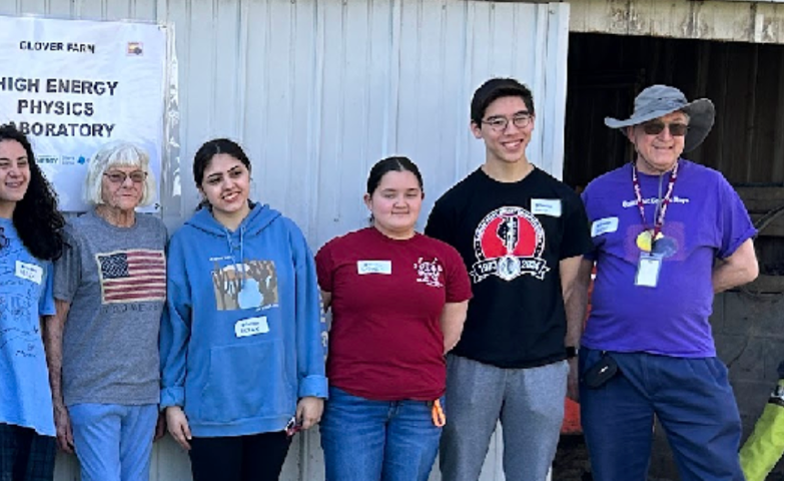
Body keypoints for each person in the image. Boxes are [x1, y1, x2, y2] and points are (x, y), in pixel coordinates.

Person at [575, 84, 760, 481]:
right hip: (612, 357)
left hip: (688, 356)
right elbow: (575, 283)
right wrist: (571, 353)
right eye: (654, 126)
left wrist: (692, 289)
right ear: (631, 133)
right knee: (614, 474)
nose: (666, 137)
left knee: (716, 473)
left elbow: (746, 266)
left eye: (676, 128)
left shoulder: (712, 187)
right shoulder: (599, 192)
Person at [425, 78, 592, 481]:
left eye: (520, 119)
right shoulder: (454, 205)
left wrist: (571, 353)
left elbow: (573, 286)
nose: (510, 131)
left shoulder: (563, 201)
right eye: (497, 122)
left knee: (531, 474)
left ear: (533, 122)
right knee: (459, 470)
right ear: (476, 129)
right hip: (470, 361)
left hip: (542, 364)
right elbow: (435, 293)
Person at [160, 138, 327, 482]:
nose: (228, 185)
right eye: (215, 179)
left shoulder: (284, 233)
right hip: (210, 408)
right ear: (201, 188)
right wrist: (172, 400)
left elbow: (308, 317)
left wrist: (312, 388)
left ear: (249, 174)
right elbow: (175, 326)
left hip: (273, 403)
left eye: (235, 173)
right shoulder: (186, 242)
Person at [316, 157, 471, 481]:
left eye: (411, 194)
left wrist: (409, 358)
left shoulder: (445, 258)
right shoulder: (338, 253)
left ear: (422, 198)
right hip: (353, 402)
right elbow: (313, 323)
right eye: (389, 194)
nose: (401, 203)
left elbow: (449, 333)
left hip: (420, 405)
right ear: (369, 200)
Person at [47, 142, 169, 481]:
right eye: (116, 177)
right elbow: (55, 322)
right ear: (98, 181)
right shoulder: (77, 235)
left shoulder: (156, 233)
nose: (127, 185)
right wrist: (57, 401)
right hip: (92, 392)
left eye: (135, 177)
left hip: (144, 393)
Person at [0, 127, 67, 481]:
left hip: (36, 409)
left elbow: (43, 326)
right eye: (3, 164)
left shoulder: (40, 241)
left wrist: (55, 401)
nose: (15, 172)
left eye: (22, 163)